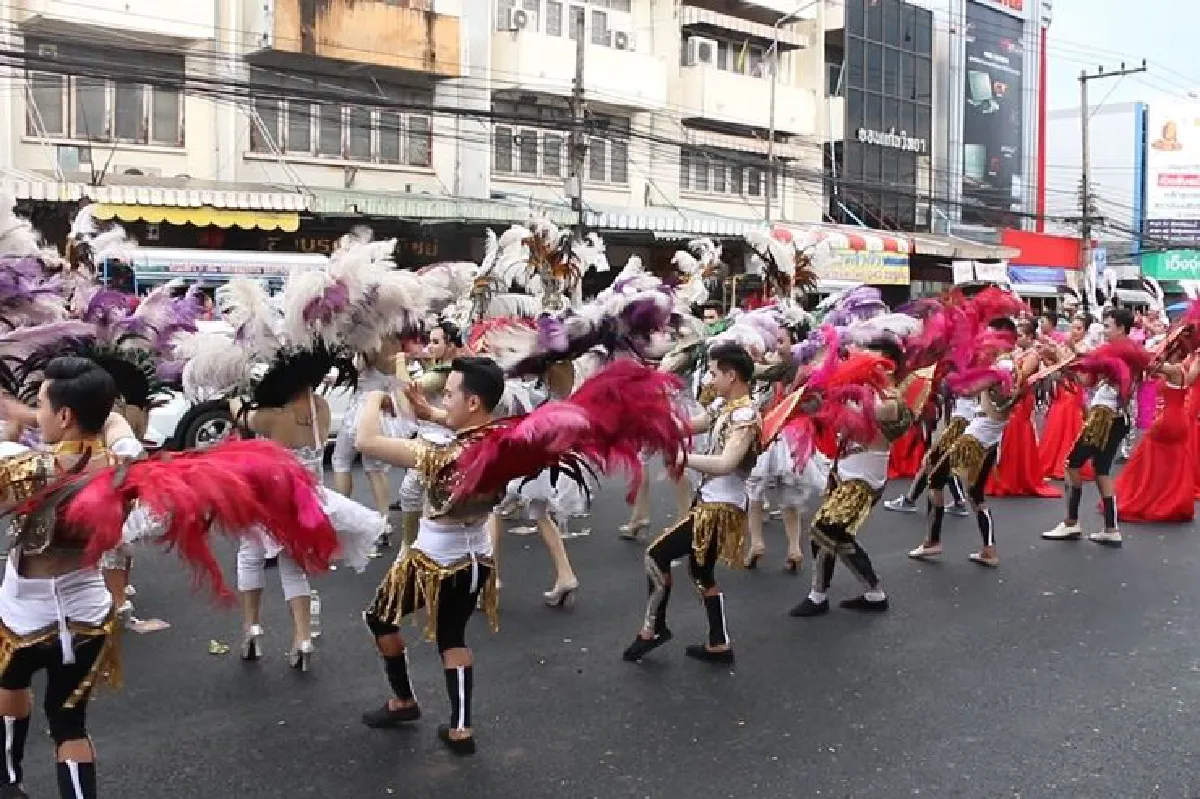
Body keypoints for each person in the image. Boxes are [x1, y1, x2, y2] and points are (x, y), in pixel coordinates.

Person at [356, 357, 505, 755]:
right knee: (452, 636)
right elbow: (467, 428)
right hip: (476, 559)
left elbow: (366, 442)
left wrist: (373, 398)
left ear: (472, 402)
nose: (445, 400)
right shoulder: (502, 442)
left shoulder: (442, 455)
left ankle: (404, 702)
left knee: (379, 618)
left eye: (451, 394)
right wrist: (431, 413)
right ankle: (461, 728)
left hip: (434, 559)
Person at [0, 358, 125, 799]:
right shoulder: (121, 469)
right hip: (88, 617)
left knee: (9, 684)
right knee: (70, 726)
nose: (39, 415)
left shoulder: (29, 471)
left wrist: (10, 436)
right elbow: (114, 429)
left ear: (66, 415)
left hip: (24, 619)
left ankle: (9, 781)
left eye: (41, 406)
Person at [623, 343, 760, 664]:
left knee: (656, 556)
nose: (710, 380)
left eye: (714, 374)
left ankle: (652, 629)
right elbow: (693, 424)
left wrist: (683, 457)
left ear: (732, 374)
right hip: (712, 502)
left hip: (720, 509)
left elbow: (727, 463)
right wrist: (655, 423)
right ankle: (718, 642)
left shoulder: (745, 415)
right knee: (700, 571)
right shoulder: (726, 406)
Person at [791, 338, 912, 618]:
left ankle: (825, 596)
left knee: (825, 530)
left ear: (890, 368)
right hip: (844, 472)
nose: (863, 364)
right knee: (832, 535)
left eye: (873, 361)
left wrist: (830, 394)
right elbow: (827, 417)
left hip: (863, 482)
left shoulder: (890, 401)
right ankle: (864, 593)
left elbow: (861, 417)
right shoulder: (857, 392)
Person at [1043, 307, 1140, 548]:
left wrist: (1072, 354)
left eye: (1108, 326)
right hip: (1116, 418)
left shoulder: (1126, 352)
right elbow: (1087, 380)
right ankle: (1111, 528)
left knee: (1072, 464)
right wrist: (1067, 367)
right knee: (1101, 470)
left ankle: (1071, 522)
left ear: (1120, 328)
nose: (1105, 331)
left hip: (1105, 417)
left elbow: (1115, 381)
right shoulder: (1117, 352)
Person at [1111, 354, 1197, 523]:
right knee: (1173, 460)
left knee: (1149, 458)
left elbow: (1148, 366)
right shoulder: (1183, 370)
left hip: (1167, 419)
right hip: (1180, 418)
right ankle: (1170, 499)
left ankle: (1150, 497)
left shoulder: (1174, 370)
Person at [984, 320, 1062, 499]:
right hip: (1014, 396)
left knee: (1016, 433)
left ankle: (1014, 478)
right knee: (1008, 435)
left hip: (1021, 398)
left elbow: (1021, 377)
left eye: (1020, 335)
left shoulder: (1033, 354)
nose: (1016, 339)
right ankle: (1004, 475)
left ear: (1029, 337)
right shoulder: (1017, 352)